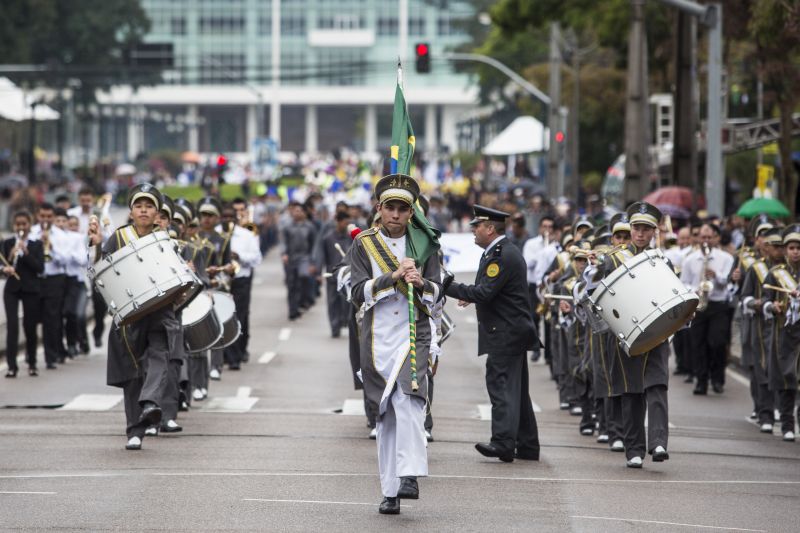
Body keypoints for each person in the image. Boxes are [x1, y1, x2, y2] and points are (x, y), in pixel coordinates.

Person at [350, 174, 441, 515]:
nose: (396, 214)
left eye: (403, 208)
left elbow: (438, 297)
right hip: (378, 340)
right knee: (385, 416)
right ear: (379, 209)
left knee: (411, 399)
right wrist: (393, 278)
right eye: (390, 207)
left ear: (411, 211)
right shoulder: (363, 243)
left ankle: (410, 474)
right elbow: (356, 293)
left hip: (413, 334)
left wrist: (422, 282)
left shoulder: (426, 245)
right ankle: (390, 491)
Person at [444, 205, 540, 463]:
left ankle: (503, 443)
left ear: (490, 229)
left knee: (500, 386)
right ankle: (528, 445)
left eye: (477, 226)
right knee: (516, 390)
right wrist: (472, 294)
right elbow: (491, 289)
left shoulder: (500, 255)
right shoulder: (499, 251)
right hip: (512, 329)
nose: (473, 230)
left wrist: (447, 287)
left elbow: (485, 292)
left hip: (506, 332)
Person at [579, 202, 671, 468]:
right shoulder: (612, 258)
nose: (640, 234)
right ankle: (634, 449)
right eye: (636, 228)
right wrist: (592, 270)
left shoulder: (663, 260)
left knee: (657, 386)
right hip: (627, 334)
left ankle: (658, 442)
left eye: (646, 229)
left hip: (658, 333)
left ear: (654, 232)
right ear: (631, 229)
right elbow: (589, 290)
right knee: (631, 391)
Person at [88, 183, 179, 451]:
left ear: (157, 211)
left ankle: (150, 403)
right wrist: (95, 246)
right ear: (131, 210)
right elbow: (100, 271)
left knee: (160, 355)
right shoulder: (118, 238)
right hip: (130, 315)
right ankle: (134, 431)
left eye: (149, 206)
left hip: (160, 310)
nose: (143, 210)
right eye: (139, 205)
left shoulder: (166, 238)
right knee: (133, 373)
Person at [681, 223, 734, 395]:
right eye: (703, 237)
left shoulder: (726, 258)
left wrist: (716, 275)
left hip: (718, 304)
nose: (706, 241)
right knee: (698, 344)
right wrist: (693, 290)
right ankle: (701, 381)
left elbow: (728, 281)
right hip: (698, 304)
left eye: (709, 237)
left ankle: (717, 378)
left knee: (717, 342)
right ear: (698, 239)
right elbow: (684, 283)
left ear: (716, 238)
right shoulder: (690, 259)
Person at [741, 226, 783, 433]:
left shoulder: (790, 271)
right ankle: (765, 412)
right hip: (761, 326)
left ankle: (783, 413)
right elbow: (745, 297)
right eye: (773, 246)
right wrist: (757, 304)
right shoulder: (756, 268)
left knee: (785, 371)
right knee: (763, 369)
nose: (777, 250)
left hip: (786, 328)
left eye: (779, 246)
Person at [761, 225, 800, 442]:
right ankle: (787, 425)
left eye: (799, 248)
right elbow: (765, 300)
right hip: (784, 334)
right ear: (785, 250)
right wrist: (772, 306)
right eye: (792, 247)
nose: (796, 252)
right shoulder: (776, 274)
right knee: (787, 380)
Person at [2, 211, 44, 377]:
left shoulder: (36, 244)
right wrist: (10, 259)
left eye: (24, 224)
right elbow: (2, 265)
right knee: (12, 326)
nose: (21, 227)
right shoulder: (7, 243)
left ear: (29, 225)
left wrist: (26, 254)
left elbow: (40, 268)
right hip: (12, 289)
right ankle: (12, 366)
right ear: (14, 226)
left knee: (30, 326)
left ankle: (32, 363)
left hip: (30, 288)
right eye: (18, 224)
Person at [30, 203, 70, 369]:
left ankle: (50, 356)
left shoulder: (61, 236)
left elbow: (65, 261)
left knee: (51, 319)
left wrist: (51, 247)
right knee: (31, 318)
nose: (45, 220)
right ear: (38, 216)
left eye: (49, 217)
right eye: (42, 216)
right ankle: (30, 356)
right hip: (35, 279)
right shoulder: (31, 233)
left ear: (53, 217)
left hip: (54, 279)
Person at [316, 210, 352, 337]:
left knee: (346, 302)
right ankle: (334, 327)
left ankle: (344, 322)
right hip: (332, 276)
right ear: (338, 221)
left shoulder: (351, 238)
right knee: (332, 302)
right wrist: (319, 272)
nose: (346, 225)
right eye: (345, 222)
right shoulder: (328, 238)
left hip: (347, 277)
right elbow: (322, 256)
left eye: (348, 223)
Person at [282, 202, 317, 320]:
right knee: (292, 285)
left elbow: (314, 245)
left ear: (304, 213)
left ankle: (305, 301)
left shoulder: (310, 227)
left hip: (305, 258)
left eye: (299, 211)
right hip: (291, 259)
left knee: (304, 279)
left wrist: (313, 262)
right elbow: (283, 243)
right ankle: (293, 310)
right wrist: (284, 254)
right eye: (295, 211)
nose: (297, 213)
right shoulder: (287, 227)